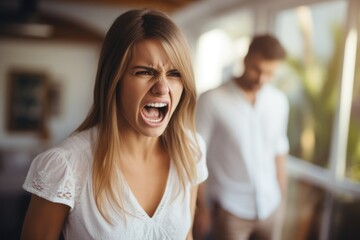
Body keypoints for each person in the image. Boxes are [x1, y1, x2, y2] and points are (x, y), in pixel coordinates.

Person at [21, 9, 208, 240]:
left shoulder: (191, 148)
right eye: (144, 72)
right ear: (113, 80)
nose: (162, 88)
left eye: (174, 73)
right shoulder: (65, 167)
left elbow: (186, 235)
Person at [194, 34, 289, 240]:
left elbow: (279, 152)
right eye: (257, 69)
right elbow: (196, 157)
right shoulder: (211, 100)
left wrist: (282, 201)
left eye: (270, 73)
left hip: (271, 208)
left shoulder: (279, 102)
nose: (261, 79)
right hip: (230, 212)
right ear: (246, 59)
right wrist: (202, 208)